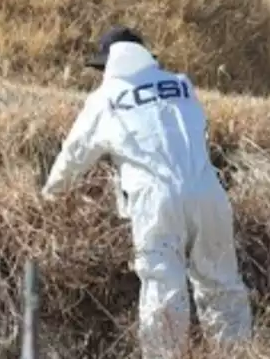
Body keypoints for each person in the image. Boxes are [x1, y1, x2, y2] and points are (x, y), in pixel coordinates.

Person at [39, 25, 253, 358]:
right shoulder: (182, 85)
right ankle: (237, 353)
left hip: (156, 201)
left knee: (163, 292)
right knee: (222, 286)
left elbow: (74, 154)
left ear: (108, 64)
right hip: (209, 192)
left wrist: (51, 195)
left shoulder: (105, 100)